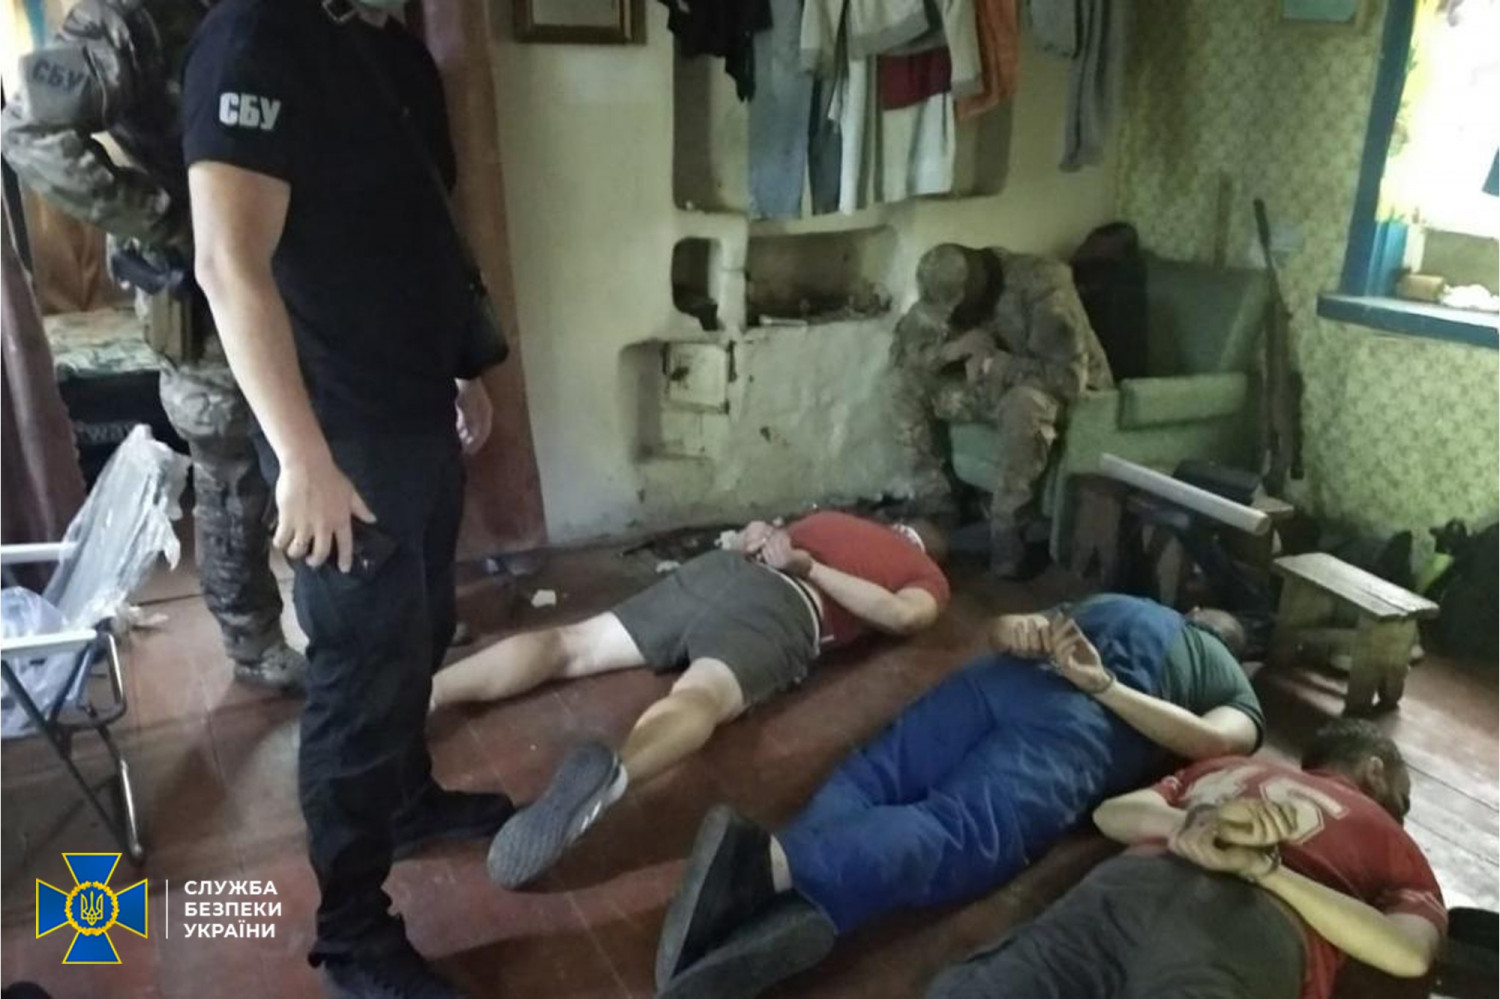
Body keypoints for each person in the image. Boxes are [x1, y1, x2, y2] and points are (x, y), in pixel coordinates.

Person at [181, 0, 512, 994]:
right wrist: (301, 459)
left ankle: (406, 802)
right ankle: (354, 931)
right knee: (362, 679)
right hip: (340, 432)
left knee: (422, 631)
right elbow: (227, 265)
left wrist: (462, 366)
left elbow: (410, 230)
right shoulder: (253, 37)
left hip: (415, 409)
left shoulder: (383, 50)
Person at [654, 594, 1264, 998]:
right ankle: (766, 866)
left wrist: (1014, 632)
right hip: (1076, 733)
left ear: (1196, 610)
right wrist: (1104, 685)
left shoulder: (1116, 602)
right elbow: (1219, 742)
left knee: (875, 777)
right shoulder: (1231, 678)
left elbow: (1002, 630)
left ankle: (801, 898)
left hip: (993, 682)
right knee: (959, 832)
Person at [1, 0, 310, 692]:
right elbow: (27, 131)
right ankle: (252, 638)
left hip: (301, 263)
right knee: (232, 465)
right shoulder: (130, 16)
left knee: (330, 439)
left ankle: (352, 616)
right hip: (203, 287)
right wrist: (168, 221)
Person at [433, 511, 950, 889]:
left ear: (897, 524)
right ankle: (614, 777)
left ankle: (427, 694)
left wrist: (759, 538)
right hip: (785, 604)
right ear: (928, 549)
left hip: (719, 570)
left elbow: (755, 537)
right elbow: (905, 616)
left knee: (571, 643)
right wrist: (808, 568)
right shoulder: (927, 574)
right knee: (701, 695)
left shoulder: (835, 518)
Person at [927, 718, 1446, 999]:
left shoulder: (1229, 768)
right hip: (1253, 936)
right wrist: (1261, 869)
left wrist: (1197, 827)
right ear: (1375, 771)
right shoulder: (1398, 845)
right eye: (1402, 797)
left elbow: (1112, 815)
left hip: (1125, 892)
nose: (1400, 810)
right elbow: (1407, 953)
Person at [891, 243, 1113, 576]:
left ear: (974, 294)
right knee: (903, 384)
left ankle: (1009, 533)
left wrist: (995, 363)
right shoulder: (944, 283)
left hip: (1068, 397)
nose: (950, 319)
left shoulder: (1042, 286)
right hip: (996, 385)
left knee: (1024, 404)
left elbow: (1068, 380)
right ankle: (937, 509)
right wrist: (953, 350)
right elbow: (903, 352)